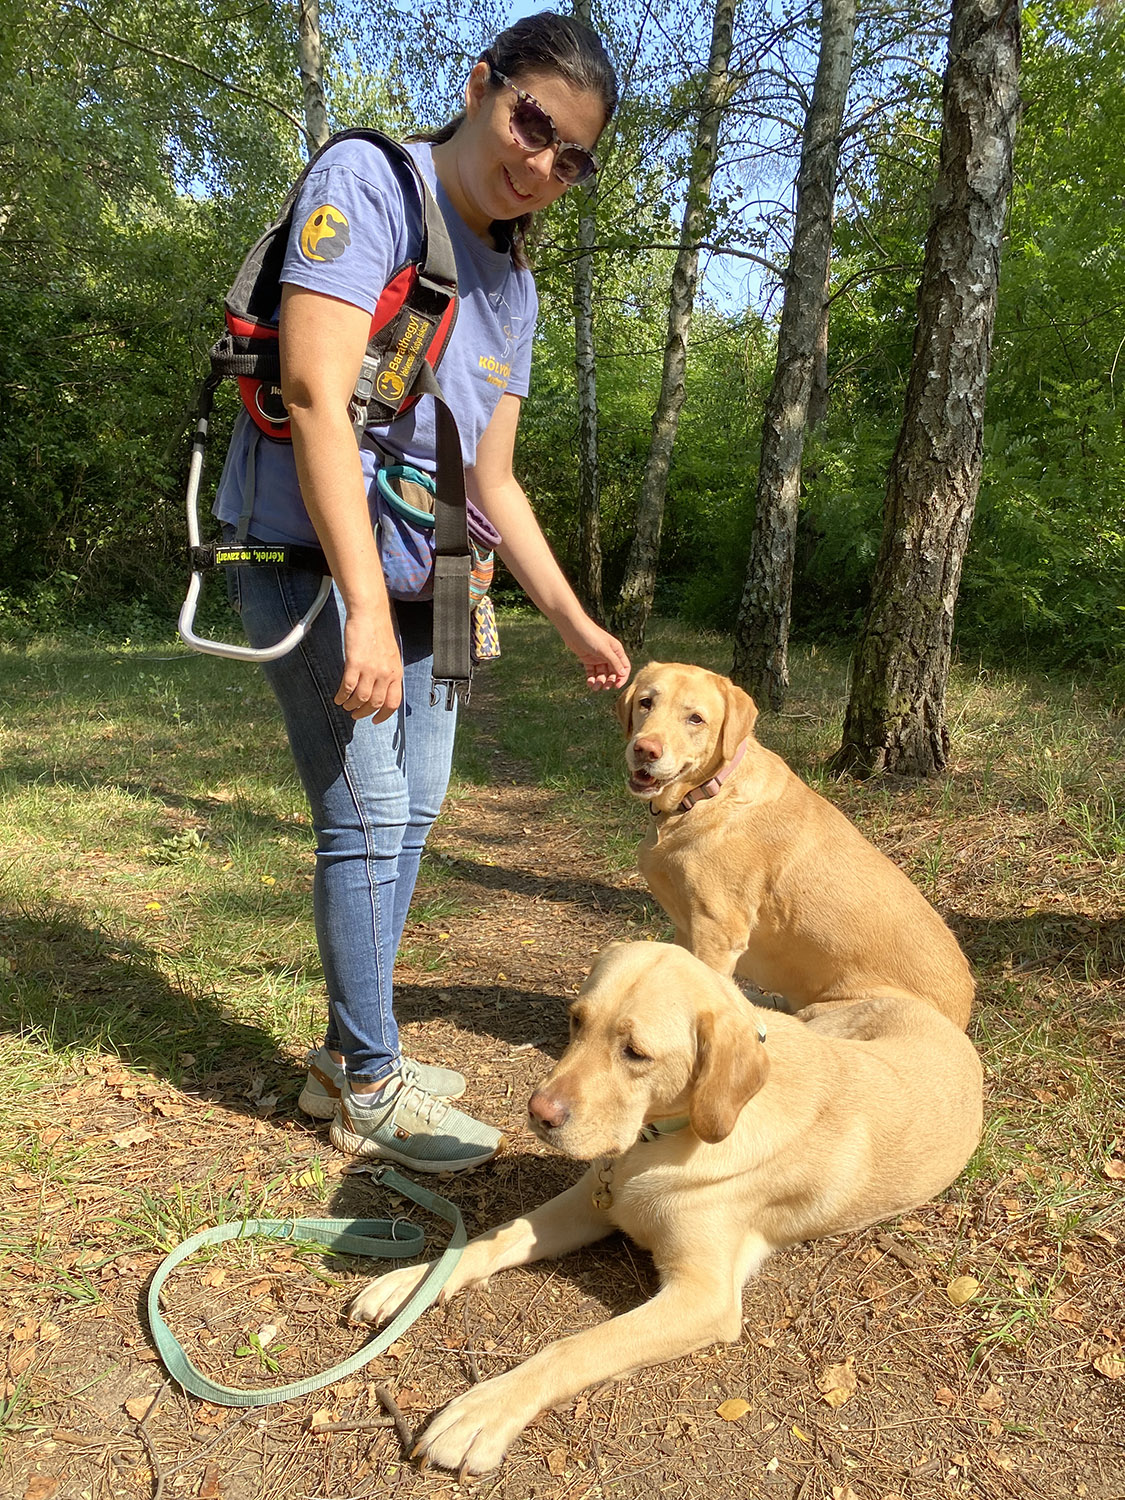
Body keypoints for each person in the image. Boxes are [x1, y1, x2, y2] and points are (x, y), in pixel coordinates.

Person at [213, 12, 630, 1174]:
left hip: (442, 564)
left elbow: (489, 475)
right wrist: (360, 608)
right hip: (313, 550)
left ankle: (351, 1057)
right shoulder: (375, 182)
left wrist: (571, 616)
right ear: (482, 84)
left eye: (573, 157)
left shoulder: (517, 287)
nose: (543, 162)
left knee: (422, 803)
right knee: (365, 810)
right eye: (533, 123)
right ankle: (369, 1080)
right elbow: (313, 384)